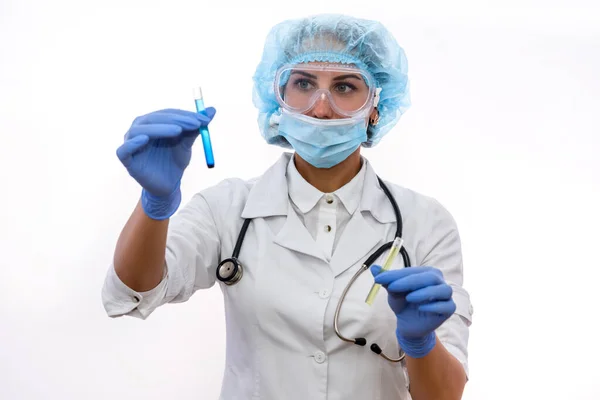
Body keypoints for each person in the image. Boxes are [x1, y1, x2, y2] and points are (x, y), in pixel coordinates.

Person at [102, 13, 473, 400]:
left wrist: (421, 342)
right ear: (277, 97)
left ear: (375, 107)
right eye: (303, 84)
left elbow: (444, 396)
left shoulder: (426, 224)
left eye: (345, 87)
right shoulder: (227, 208)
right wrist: (154, 205)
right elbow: (134, 289)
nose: (321, 108)